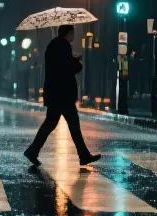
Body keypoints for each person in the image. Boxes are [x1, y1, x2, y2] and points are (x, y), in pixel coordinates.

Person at [23, 25, 101, 166]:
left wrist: (71, 57)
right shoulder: (62, 46)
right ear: (69, 33)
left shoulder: (54, 45)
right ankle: (83, 156)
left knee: (50, 124)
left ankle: (32, 151)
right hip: (62, 94)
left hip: (55, 93)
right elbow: (67, 68)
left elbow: (60, 64)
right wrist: (77, 61)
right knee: (73, 125)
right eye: (73, 33)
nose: (74, 36)